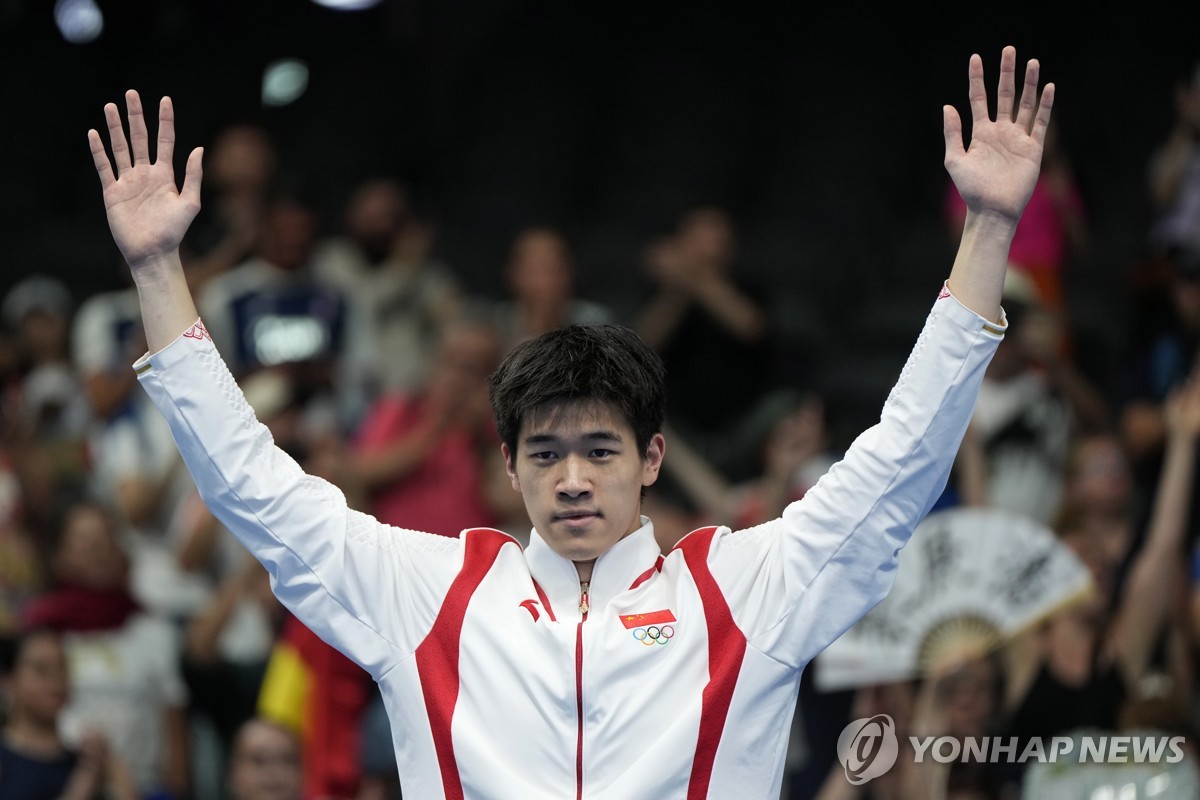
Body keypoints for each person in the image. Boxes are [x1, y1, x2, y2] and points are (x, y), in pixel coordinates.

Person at [87, 45, 1053, 799]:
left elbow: (902, 463)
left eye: (601, 450)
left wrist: (990, 233)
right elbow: (249, 484)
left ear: (653, 459)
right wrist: (158, 275)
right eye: (546, 454)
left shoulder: (750, 587)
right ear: (510, 466)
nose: (574, 478)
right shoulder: (427, 592)